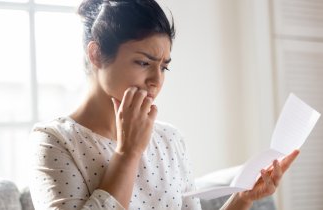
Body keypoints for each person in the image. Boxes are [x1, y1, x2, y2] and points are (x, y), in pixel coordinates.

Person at [28, 0, 300, 209]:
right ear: (96, 54)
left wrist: (242, 198)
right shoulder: (54, 142)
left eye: (164, 67)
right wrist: (128, 152)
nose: (156, 81)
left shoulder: (169, 139)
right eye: (144, 63)